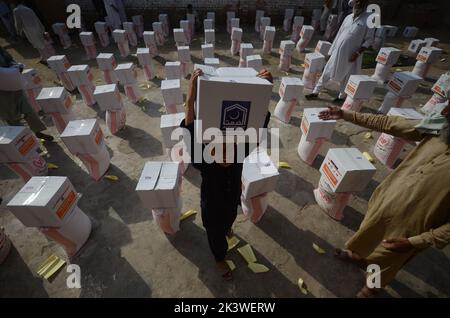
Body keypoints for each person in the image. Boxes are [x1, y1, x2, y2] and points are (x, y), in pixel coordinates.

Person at [318, 104, 450, 297]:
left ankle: (371, 288)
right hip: (384, 203)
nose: (445, 112)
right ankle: (357, 257)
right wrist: (345, 114)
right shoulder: (438, 128)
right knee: (366, 237)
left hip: (409, 230)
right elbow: (390, 123)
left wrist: (415, 242)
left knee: (384, 261)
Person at [181, 68, 273, 280]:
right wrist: (191, 98)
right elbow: (189, 128)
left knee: (230, 218)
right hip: (211, 207)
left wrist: (266, 91)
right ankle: (219, 257)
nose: (225, 153)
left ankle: (228, 228)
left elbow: (259, 122)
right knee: (215, 235)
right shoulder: (203, 161)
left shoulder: (241, 151)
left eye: (229, 147)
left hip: (232, 199)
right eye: (218, 148)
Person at [305, 0, 374, 102]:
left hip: (352, 54)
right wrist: (331, 51)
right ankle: (315, 92)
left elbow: (369, 39)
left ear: (366, 4)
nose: (359, 3)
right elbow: (339, 34)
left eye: (362, 2)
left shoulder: (369, 19)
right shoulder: (348, 17)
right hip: (337, 52)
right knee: (327, 72)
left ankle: (341, 97)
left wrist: (358, 53)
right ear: (353, 3)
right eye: (357, 1)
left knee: (347, 76)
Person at [0, 47, 53, 141]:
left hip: (15, 86)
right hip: (2, 95)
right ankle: (25, 141)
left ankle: (39, 132)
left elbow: (9, 59)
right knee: (13, 118)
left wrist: (16, 67)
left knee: (29, 111)